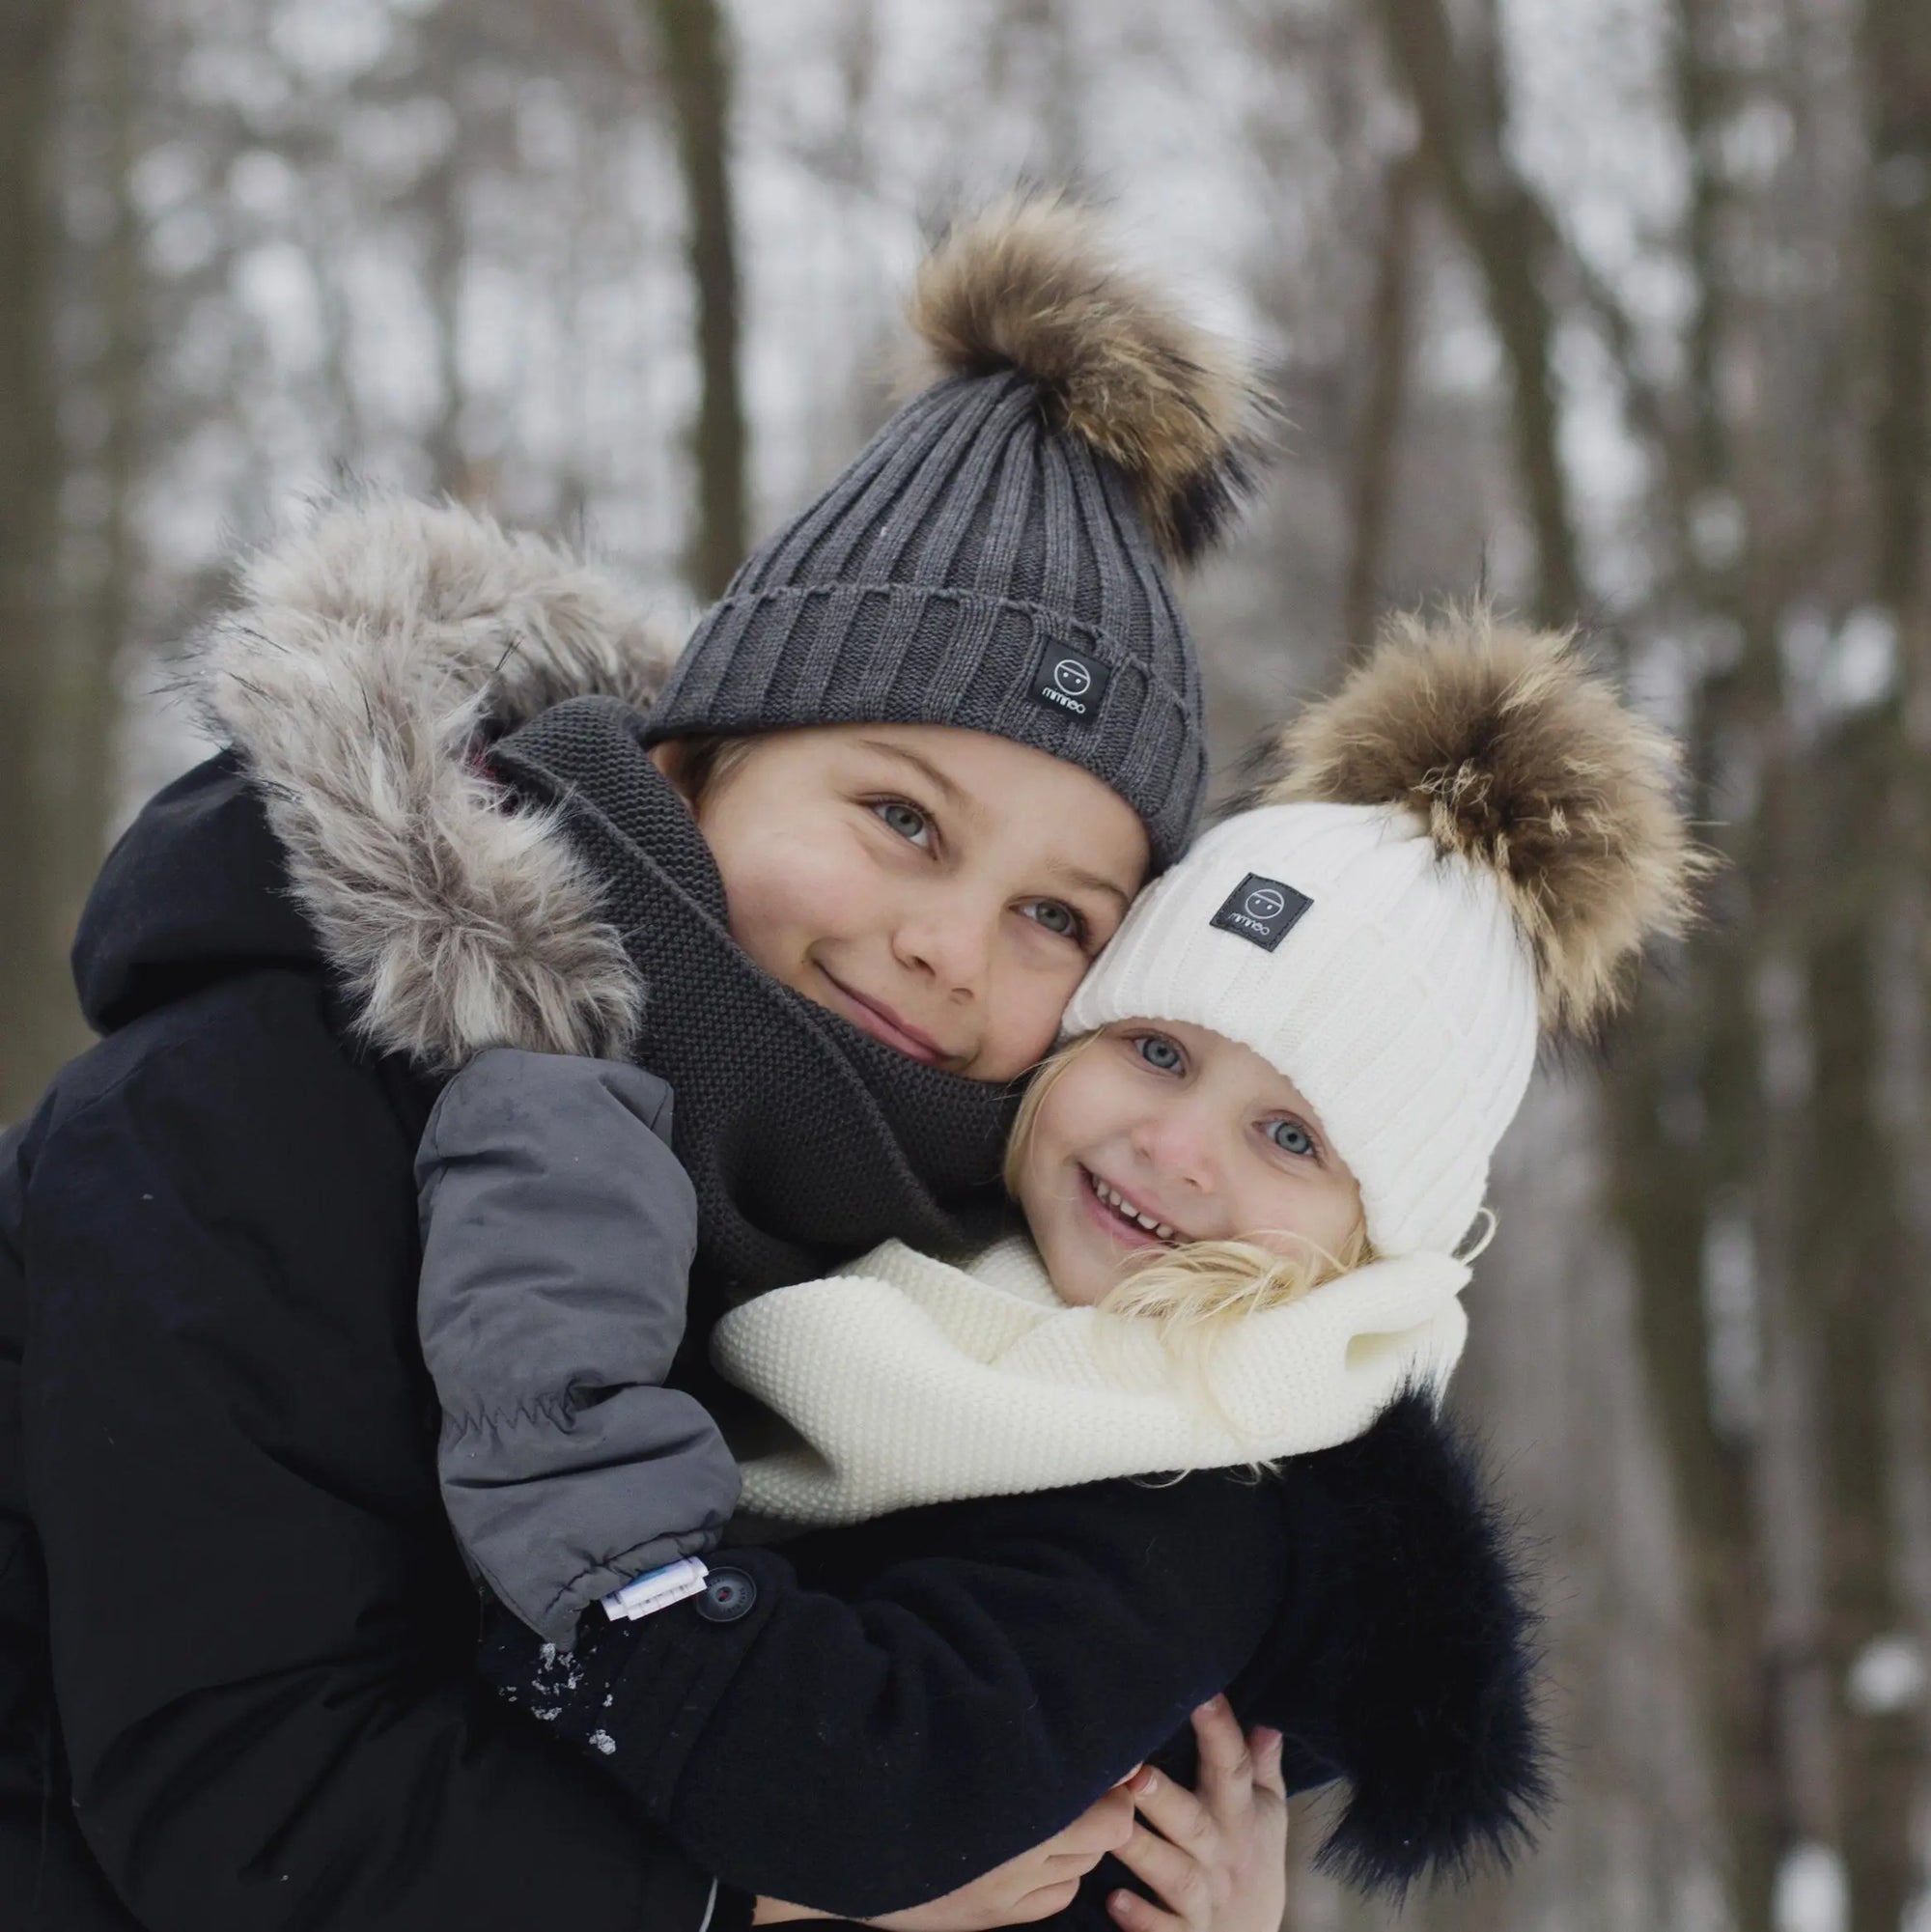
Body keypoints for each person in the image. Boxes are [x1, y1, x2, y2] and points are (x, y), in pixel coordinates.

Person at [0, 193, 1280, 1931]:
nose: (952, 946)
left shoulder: (963, 1301)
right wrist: (761, 1907)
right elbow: (240, 1789)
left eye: (1058, 914)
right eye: (903, 816)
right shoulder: (256, 1099)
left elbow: (968, 1787)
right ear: (691, 767)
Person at [421, 611, 1703, 1924]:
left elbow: (876, 1785)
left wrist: (601, 1544)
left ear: (1371, 1248)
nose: (1176, 1147)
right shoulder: (944, 1290)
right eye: (1157, 1049)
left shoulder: (1203, 1483)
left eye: (1288, 1137)